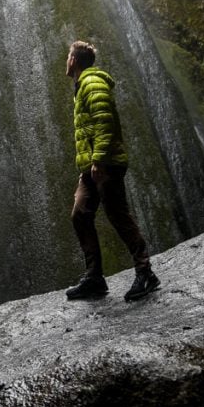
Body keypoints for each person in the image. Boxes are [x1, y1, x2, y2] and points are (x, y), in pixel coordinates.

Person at [63, 40, 160, 302]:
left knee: (118, 215)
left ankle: (145, 272)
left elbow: (104, 121)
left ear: (74, 60)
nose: (66, 61)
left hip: (105, 164)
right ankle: (94, 278)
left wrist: (99, 161)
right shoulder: (82, 85)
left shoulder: (93, 83)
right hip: (91, 167)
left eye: (67, 56)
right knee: (80, 214)